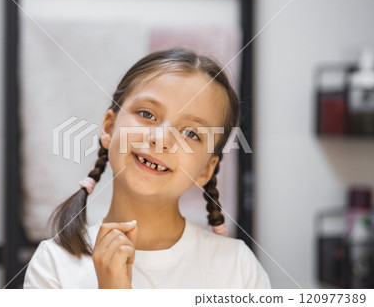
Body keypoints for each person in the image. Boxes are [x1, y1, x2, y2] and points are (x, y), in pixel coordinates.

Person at [23, 48, 272, 289]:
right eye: (147, 114)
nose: (162, 139)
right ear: (109, 128)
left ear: (206, 170)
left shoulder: (238, 269)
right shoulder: (53, 265)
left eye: (190, 133)